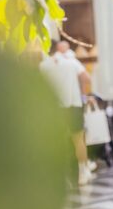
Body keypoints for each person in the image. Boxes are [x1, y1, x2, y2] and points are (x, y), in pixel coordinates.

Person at [40, 40, 94, 184]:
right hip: (73, 105)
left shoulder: (43, 66)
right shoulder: (71, 62)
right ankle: (83, 172)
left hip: (54, 108)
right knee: (78, 141)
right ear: (59, 47)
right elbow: (87, 78)